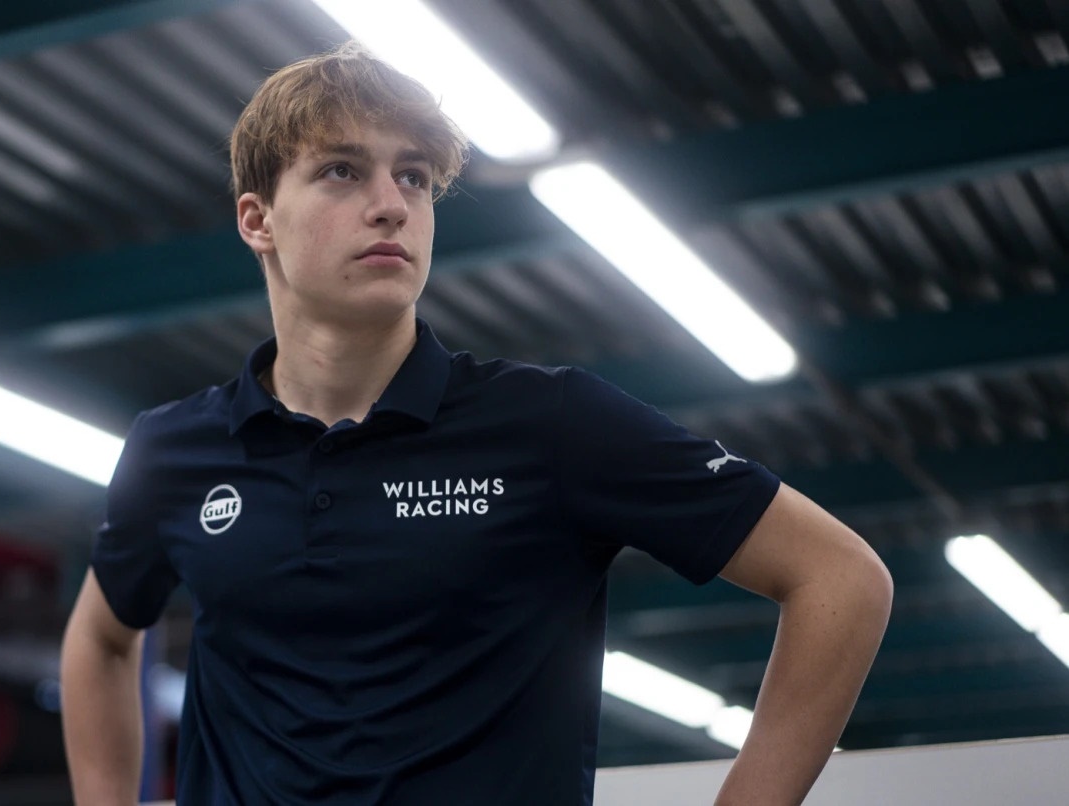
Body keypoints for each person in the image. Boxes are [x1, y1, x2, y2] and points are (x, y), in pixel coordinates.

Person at [61, 41, 892, 806]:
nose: (391, 205)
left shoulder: (551, 424)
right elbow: (100, 639)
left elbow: (841, 578)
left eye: (414, 177)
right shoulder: (174, 450)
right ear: (258, 220)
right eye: (343, 171)